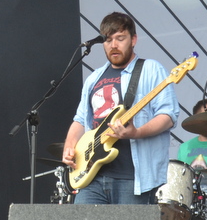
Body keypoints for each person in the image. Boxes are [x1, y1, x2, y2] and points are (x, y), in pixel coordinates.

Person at [62, 12, 179, 204]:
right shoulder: (94, 78)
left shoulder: (151, 69)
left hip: (133, 179)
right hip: (91, 176)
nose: (113, 45)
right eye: (108, 40)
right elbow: (80, 119)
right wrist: (69, 146)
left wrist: (136, 132)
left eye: (120, 38)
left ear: (133, 40)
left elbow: (168, 115)